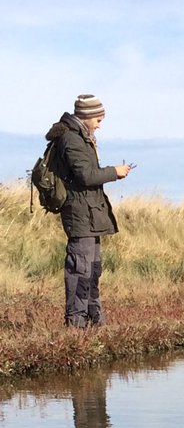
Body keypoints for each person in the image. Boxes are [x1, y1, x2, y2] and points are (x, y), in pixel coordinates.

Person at [43, 94, 133, 328]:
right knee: (79, 271)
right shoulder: (72, 140)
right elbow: (86, 176)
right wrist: (115, 171)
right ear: (86, 116)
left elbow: (86, 173)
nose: (99, 125)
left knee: (92, 270)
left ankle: (94, 321)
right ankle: (76, 324)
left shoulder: (81, 138)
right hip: (80, 214)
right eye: (98, 120)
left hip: (89, 215)